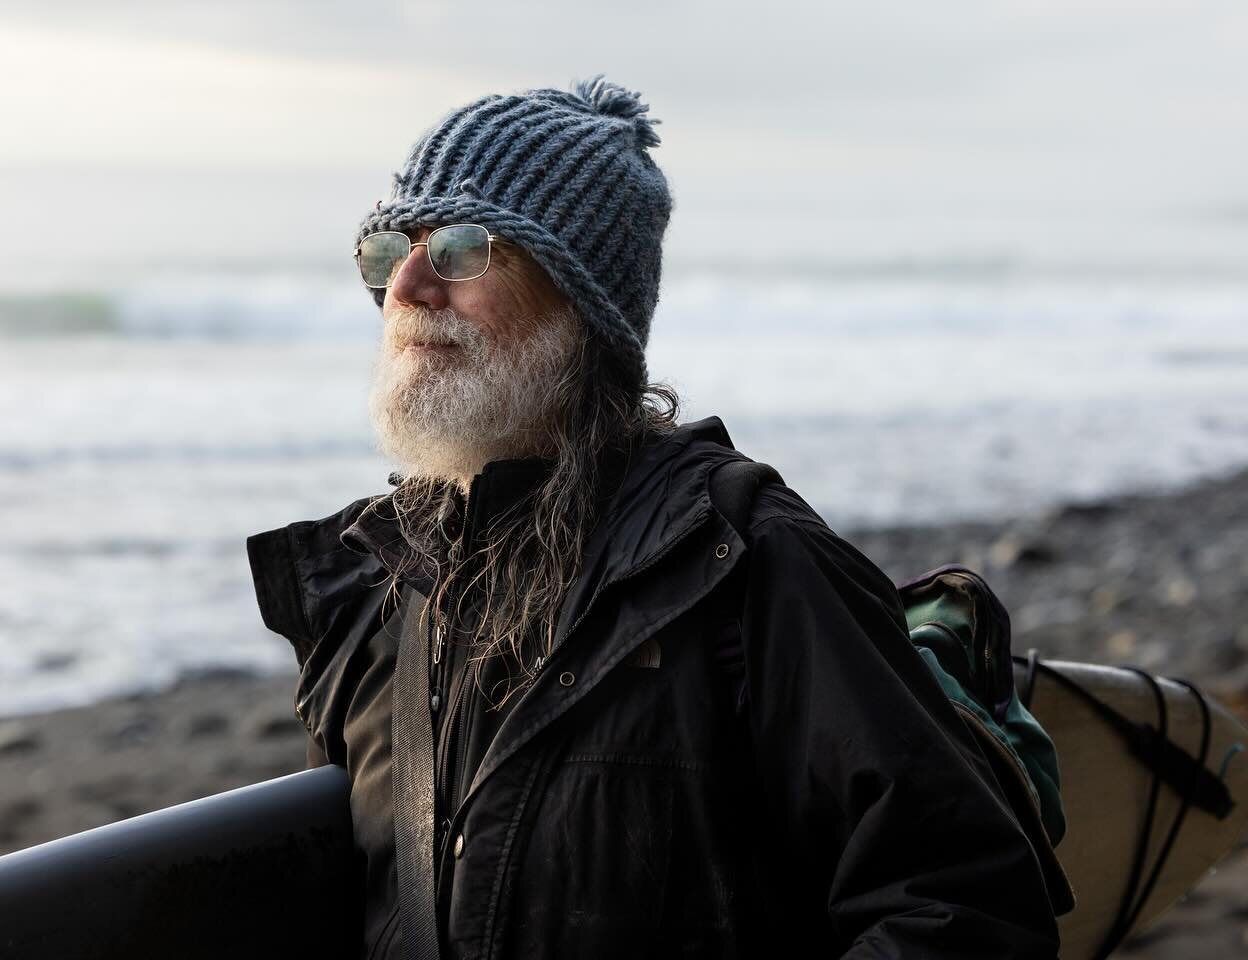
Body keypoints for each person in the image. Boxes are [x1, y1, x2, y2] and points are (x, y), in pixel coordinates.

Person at [247, 76, 1061, 959]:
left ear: (582, 301)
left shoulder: (745, 561)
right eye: (389, 248)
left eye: (460, 246)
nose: (406, 285)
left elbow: (962, 906)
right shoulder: (369, 586)